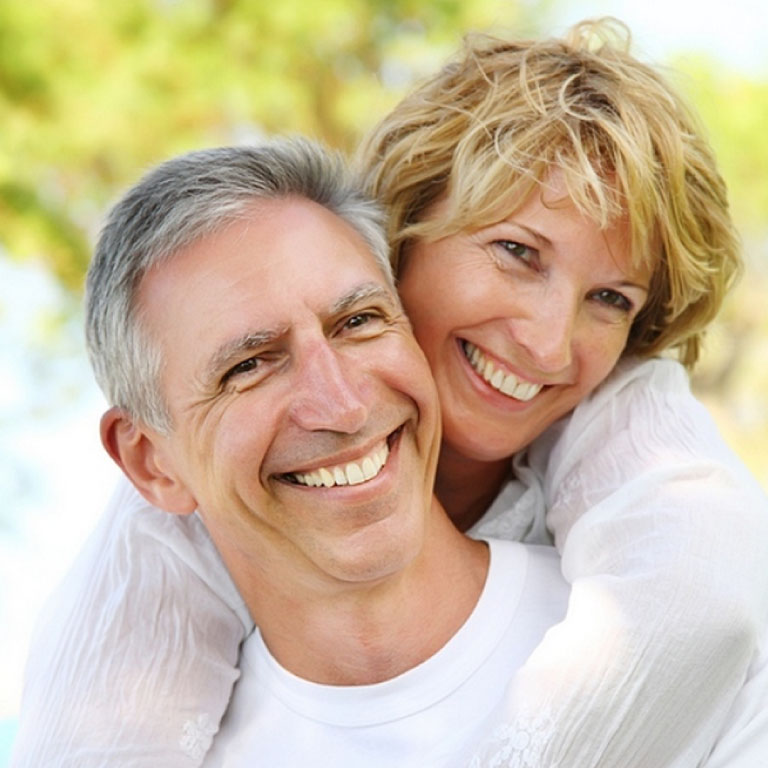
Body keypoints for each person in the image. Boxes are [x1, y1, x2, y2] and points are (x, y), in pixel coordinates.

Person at [12, 18, 768, 768]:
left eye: (611, 299)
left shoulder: (625, 425)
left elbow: (696, 606)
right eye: (516, 253)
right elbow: (92, 731)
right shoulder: (180, 505)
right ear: (405, 227)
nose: (546, 341)